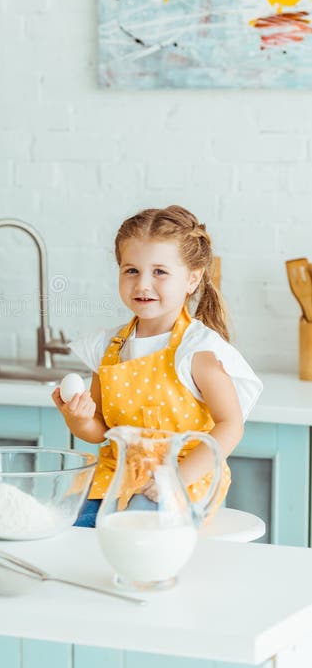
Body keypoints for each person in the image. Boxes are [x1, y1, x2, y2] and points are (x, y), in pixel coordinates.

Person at [52, 205, 262, 527]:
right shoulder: (109, 348)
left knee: (135, 532)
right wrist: (77, 419)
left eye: (159, 272)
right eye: (131, 270)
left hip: (185, 477)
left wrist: (173, 478)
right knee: (64, 523)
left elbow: (230, 426)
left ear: (192, 279)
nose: (142, 285)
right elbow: (99, 429)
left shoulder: (197, 352)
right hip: (118, 474)